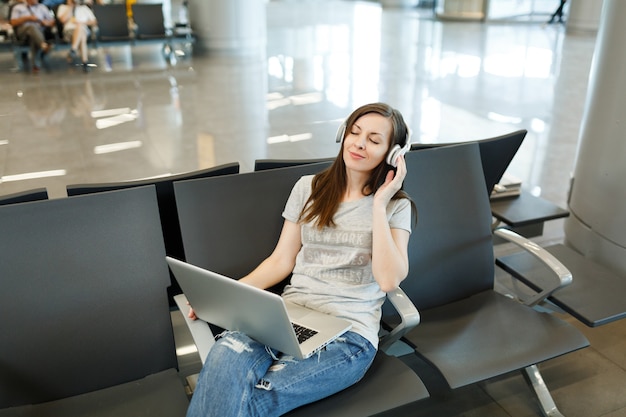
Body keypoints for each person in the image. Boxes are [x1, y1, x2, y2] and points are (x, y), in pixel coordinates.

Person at [186, 102, 415, 417]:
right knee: (224, 361)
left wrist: (379, 204)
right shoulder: (309, 187)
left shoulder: (395, 208)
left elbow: (389, 280)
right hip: (284, 318)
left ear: (393, 154)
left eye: (374, 140)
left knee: (243, 401)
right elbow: (281, 261)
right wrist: (224, 297)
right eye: (355, 132)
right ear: (343, 134)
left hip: (348, 336)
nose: (360, 143)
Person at [9, 0, 55, 72]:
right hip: (22, 32)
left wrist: (46, 23)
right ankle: (43, 46)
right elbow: (13, 22)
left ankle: (36, 65)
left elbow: (52, 22)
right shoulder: (18, 7)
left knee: (34, 36)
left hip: (39, 31)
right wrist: (27, 18)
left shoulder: (42, 7)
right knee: (31, 27)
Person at [56, 0, 96, 71]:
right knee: (82, 37)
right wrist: (70, 7)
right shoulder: (63, 7)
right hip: (69, 31)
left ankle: (73, 49)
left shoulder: (84, 8)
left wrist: (81, 22)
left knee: (80, 27)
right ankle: (85, 62)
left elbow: (94, 21)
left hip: (83, 29)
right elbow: (63, 20)